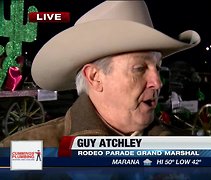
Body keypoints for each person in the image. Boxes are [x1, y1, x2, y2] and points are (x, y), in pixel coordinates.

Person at [0, 1, 200, 147]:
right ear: (95, 77)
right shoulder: (23, 152)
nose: (157, 82)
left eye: (157, 66)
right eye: (140, 69)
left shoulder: (188, 150)